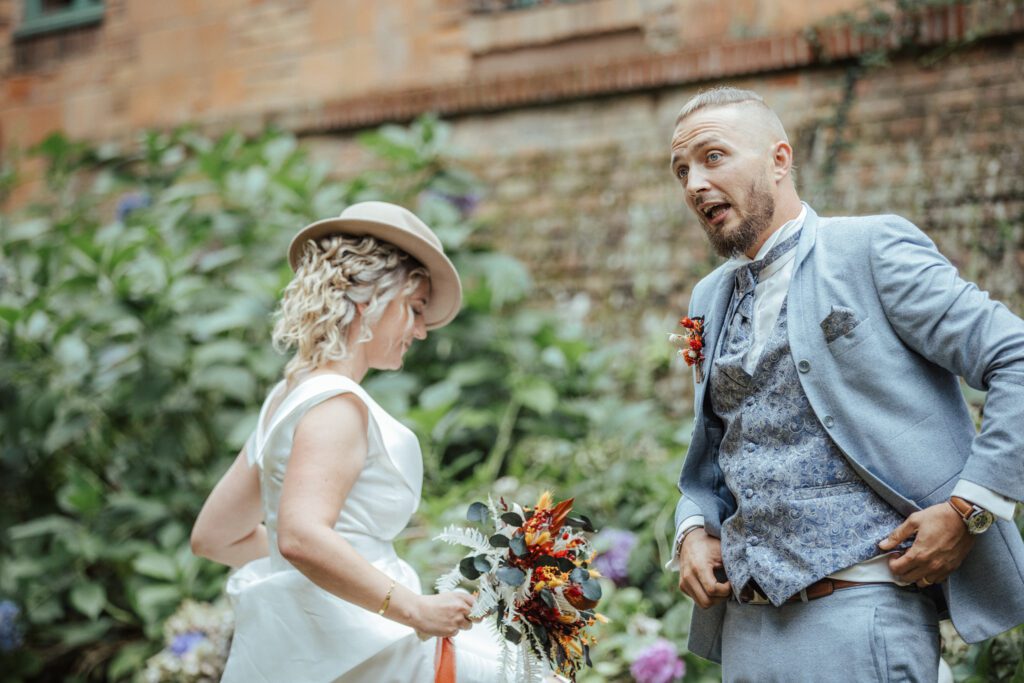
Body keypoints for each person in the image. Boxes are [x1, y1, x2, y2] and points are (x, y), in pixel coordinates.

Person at [666, 87, 1024, 681]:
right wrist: (693, 530)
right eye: (682, 171)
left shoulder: (870, 249)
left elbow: (1015, 354)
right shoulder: (709, 298)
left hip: (863, 614)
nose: (694, 183)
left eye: (713, 157)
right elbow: (723, 452)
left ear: (779, 160)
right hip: (745, 630)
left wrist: (970, 509)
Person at [190, 201, 502, 682]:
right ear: (367, 298)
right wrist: (414, 609)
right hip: (371, 644)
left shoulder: (285, 398)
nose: (420, 331)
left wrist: (334, 573)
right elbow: (299, 536)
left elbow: (216, 536)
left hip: (320, 645)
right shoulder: (337, 405)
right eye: (415, 309)